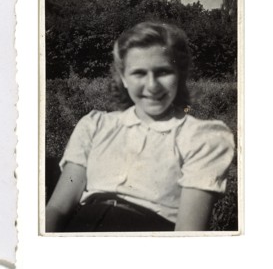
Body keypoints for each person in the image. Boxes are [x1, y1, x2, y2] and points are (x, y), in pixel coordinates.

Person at [45, 22, 235, 232]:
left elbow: (188, 233)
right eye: (139, 73)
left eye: (163, 72)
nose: (152, 86)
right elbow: (58, 208)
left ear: (180, 74)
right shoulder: (95, 126)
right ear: (124, 78)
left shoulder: (201, 138)